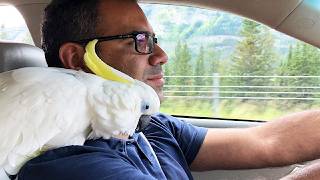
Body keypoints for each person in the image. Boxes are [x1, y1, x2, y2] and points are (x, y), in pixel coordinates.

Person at [16, 0, 320, 179]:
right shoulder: (67, 163)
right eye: (139, 40)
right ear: (77, 58)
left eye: (154, 39)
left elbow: (265, 141)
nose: (161, 55)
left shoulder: (144, 125)